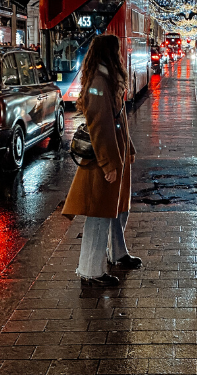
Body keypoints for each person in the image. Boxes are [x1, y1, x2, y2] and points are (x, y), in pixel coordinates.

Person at [62, 35, 141, 287]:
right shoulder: (99, 81)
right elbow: (101, 125)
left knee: (117, 210)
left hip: (115, 155)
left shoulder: (107, 79)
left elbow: (119, 122)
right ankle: (90, 269)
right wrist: (108, 164)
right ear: (109, 54)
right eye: (117, 51)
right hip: (102, 160)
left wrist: (128, 147)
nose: (121, 55)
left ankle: (117, 253)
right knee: (98, 214)